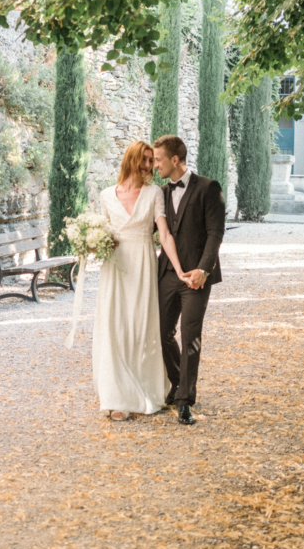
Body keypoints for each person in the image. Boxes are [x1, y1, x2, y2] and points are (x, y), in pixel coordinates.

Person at [93, 141, 190, 421]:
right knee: (114, 326)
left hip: (143, 263)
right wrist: (91, 244)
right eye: (144, 160)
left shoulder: (154, 194)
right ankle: (116, 396)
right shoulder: (106, 195)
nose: (148, 166)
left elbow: (165, 234)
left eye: (151, 161)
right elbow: (103, 232)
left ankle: (141, 390)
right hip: (115, 266)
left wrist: (179, 268)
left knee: (139, 326)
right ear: (131, 160)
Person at [152, 135, 226, 426]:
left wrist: (203, 270)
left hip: (196, 278)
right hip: (168, 274)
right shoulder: (160, 192)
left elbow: (215, 233)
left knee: (190, 337)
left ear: (174, 160)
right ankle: (176, 383)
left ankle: (185, 401)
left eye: (159, 159)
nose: (155, 164)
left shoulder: (209, 188)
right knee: (161, 333)